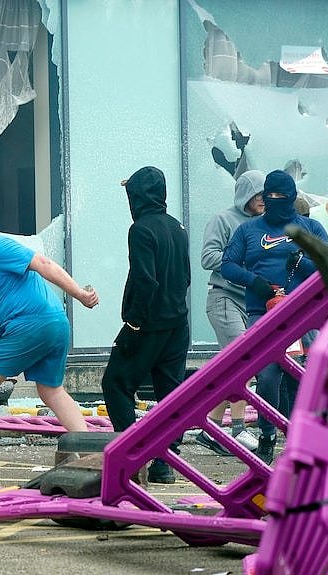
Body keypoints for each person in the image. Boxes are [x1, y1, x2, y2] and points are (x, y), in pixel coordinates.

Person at [0, 206, 99, 464]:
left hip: (28, 323)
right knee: (51, 390)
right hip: (55, 324)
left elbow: (43, 264)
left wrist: (80, 295)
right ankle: (91, 454)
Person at [221, 170, 328, 465]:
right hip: (263, 314)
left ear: (293, 197)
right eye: (271, 197)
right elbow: (227, 265)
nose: (276, 201)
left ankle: (298, 443)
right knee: (267, 376)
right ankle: (267, 434)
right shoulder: (248, 230)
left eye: (282, 196)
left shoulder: (311, 228)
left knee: (300, 380)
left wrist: (303, 263)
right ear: (263, 198)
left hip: (303, 316)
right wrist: (252, 281)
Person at [100, 166, 191, 484]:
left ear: (137, 197)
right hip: (178, 324)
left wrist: (134, 323)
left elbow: (145, 279)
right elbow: (187, 277)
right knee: (170, 394)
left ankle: (130, 452)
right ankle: (165, 463)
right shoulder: (177, 227)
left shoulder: (140, 230)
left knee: (116, 383)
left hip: (149, 324)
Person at [197, 170, 266, 456]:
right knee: (243, 361)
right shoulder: (223, 220)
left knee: (240, 365)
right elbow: (207, 257)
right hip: (225, 298)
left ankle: (212, 428)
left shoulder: (265, 223)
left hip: (251, 303)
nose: (265, 201)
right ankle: (237, 428)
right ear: (247, 195)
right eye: (261, 195)